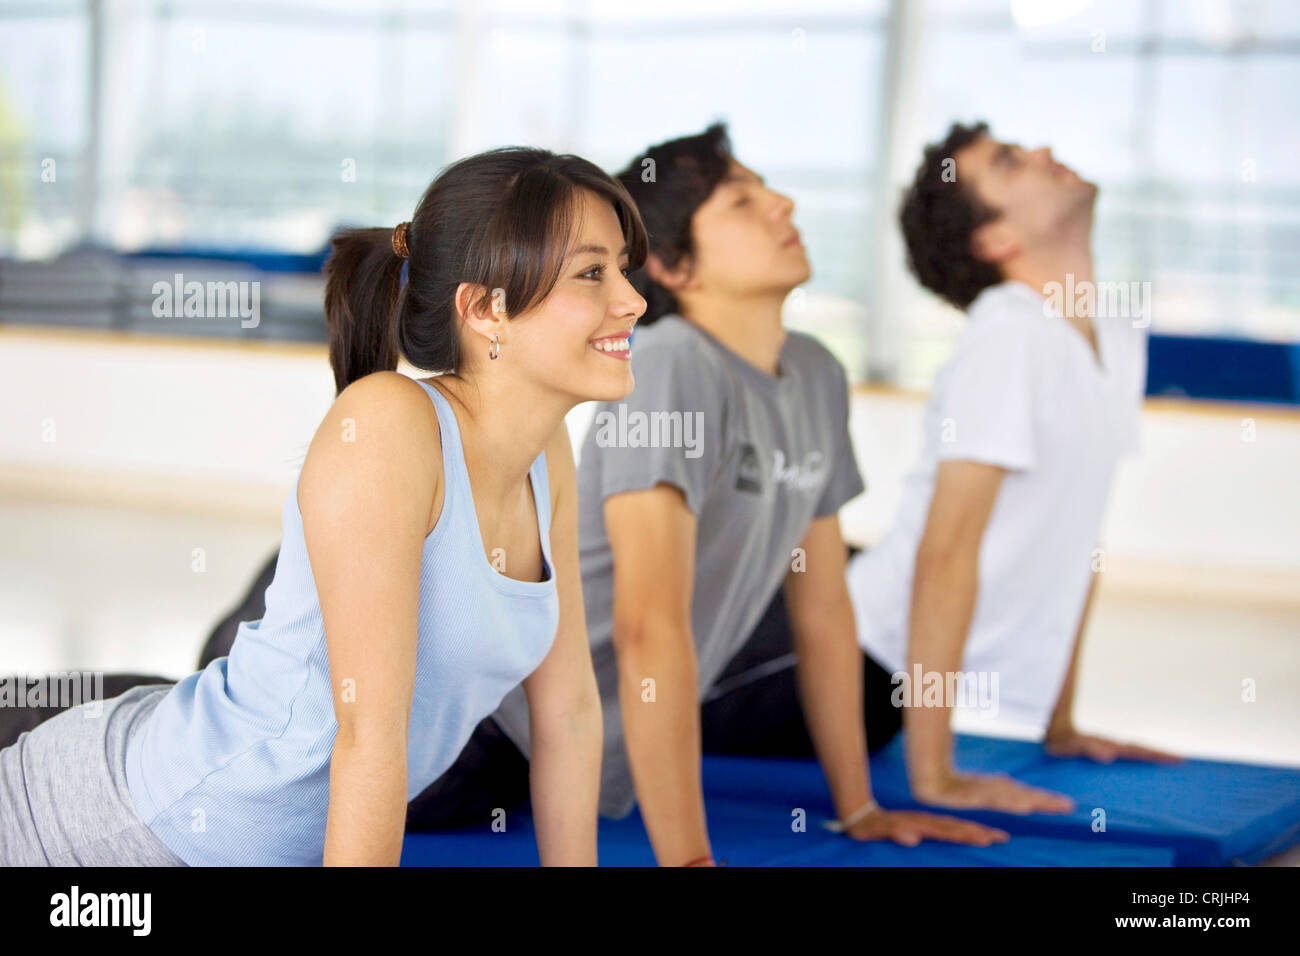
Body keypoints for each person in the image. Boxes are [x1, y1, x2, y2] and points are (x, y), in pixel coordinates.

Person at [0, 146, 649, 866]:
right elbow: (369, 736)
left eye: (623, 268)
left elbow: (569, 714)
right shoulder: (389, 424)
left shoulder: (547, 452)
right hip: (117, 825)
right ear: (485, 309)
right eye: (593, 273)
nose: (632, 299)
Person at [486, 124, 1006, 865]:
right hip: (495, 737)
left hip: (588, 752)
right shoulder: (670, 367)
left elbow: (823, 608)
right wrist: (691, 860)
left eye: (766, 189)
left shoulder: (815, 372)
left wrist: (858, 809)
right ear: (670, 264)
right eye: (740, 201)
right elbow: (647, 629)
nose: (782, 204)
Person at [846, 121, 1180, 817]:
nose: (1045, 151)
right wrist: (932, 775)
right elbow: (945, 554)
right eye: (1010, 163)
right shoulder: (1008, 334)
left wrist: (1060, 726)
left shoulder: (1112, 332)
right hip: (854, 657)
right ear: (995, 240)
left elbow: (1076, 538)